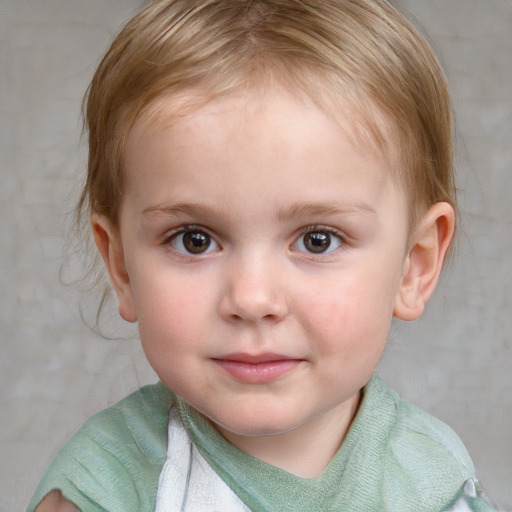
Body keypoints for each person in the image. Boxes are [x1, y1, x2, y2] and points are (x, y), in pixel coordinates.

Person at [28, 0, 499, 511]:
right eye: (195, 239)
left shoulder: (432, 481)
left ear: (415, 264)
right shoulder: (108, 486)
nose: (251, 299)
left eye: (318, 240)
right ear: (121, 266)